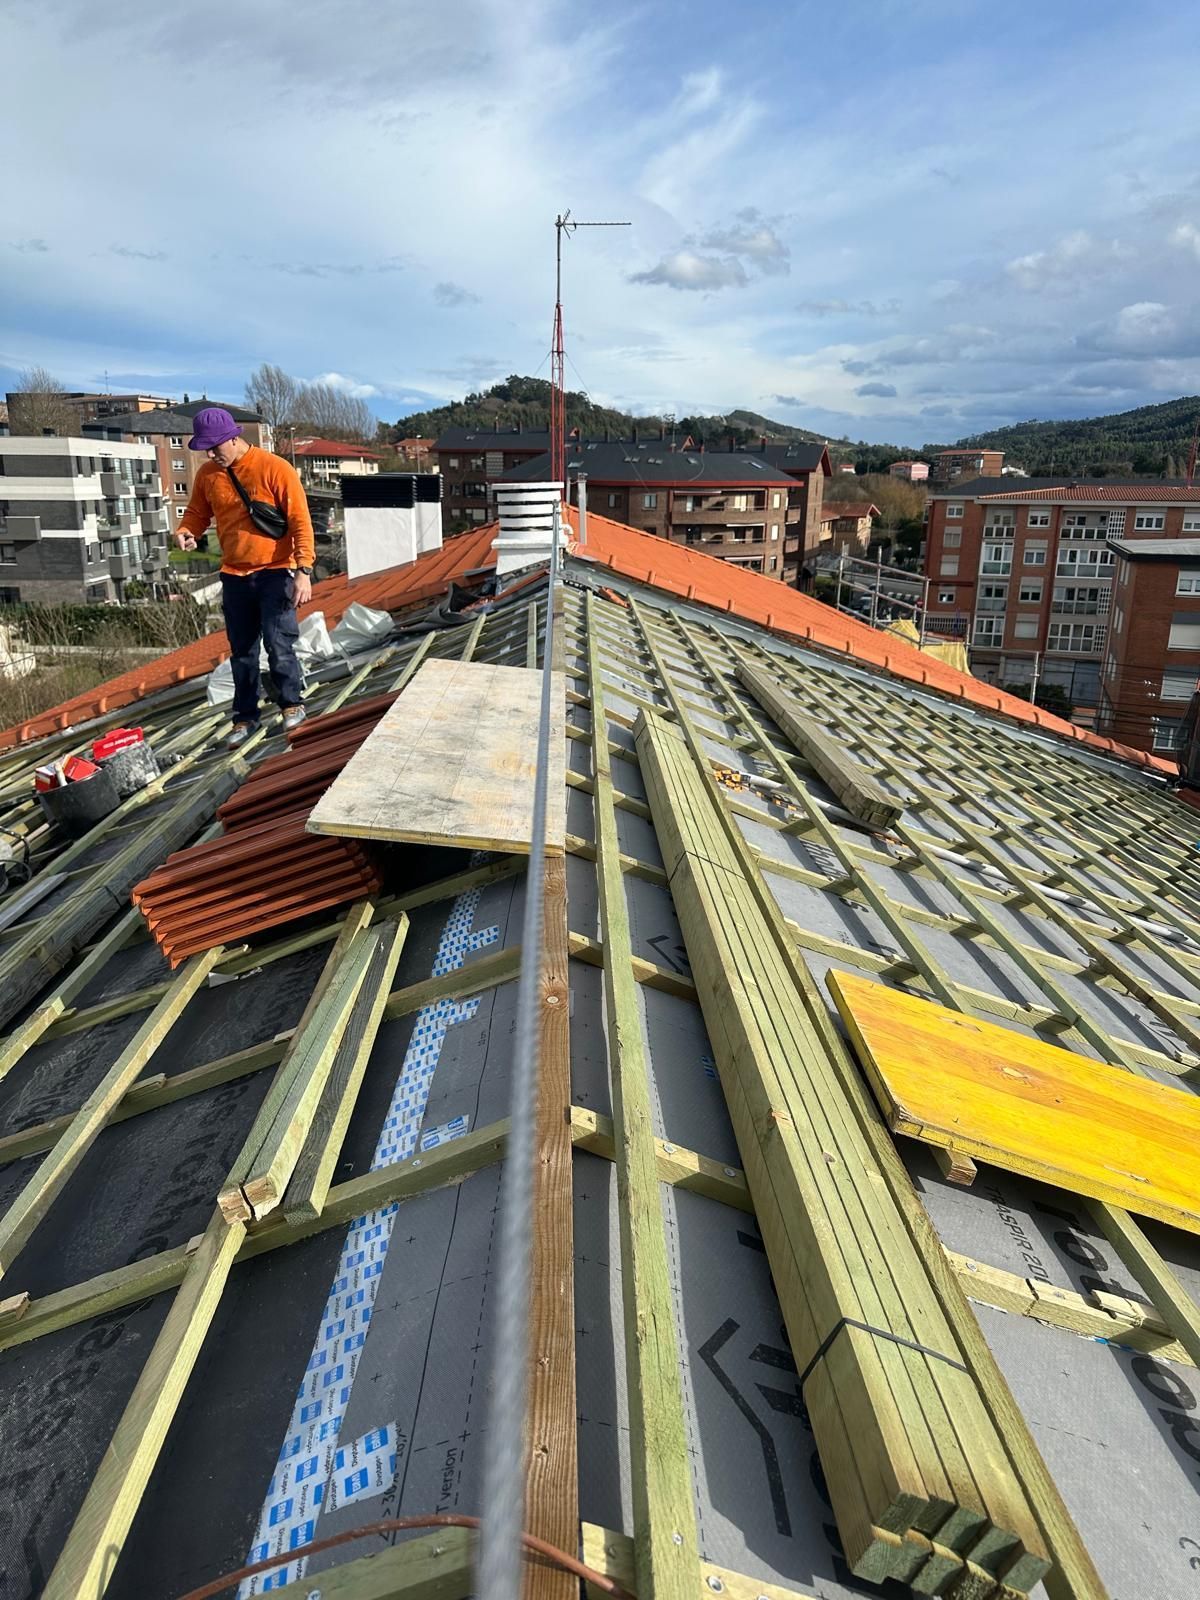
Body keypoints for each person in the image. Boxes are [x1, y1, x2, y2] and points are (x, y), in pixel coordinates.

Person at [175, 407, 315, 746]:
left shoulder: (274, 468)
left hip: (275, 570)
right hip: (234, 575)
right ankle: (245, 717)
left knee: (279, 643)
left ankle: (292, 704)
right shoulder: (208, 474)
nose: (210, 454)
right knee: (242, 652)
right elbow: (197, 512)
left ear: (233, 438)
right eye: (206, 449)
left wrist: (304, 570)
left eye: (214, 447)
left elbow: (300, 520)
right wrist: (187, 530)